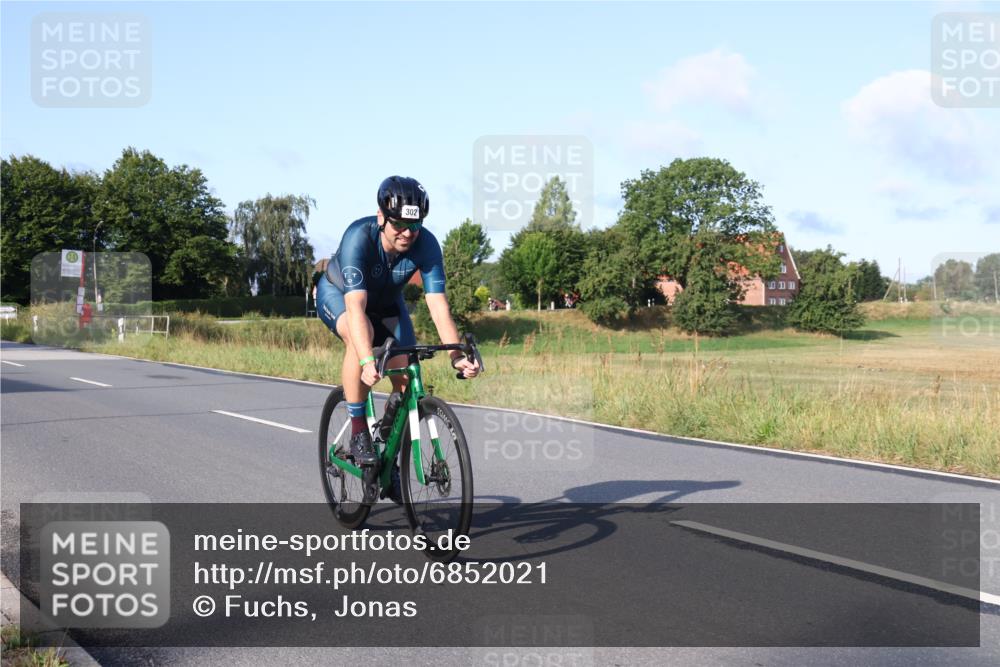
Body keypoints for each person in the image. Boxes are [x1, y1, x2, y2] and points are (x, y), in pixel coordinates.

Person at [316, 176, 481, 496]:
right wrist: (366, 359)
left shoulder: (427, 244)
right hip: (340, 295)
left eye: (414, 225)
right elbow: (356, 304)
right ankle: (360, 430)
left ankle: (387, 458)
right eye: (399, 225)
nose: (407, 233)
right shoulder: (358, 238)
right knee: (355, 331)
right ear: (382, 218)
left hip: (388, 304)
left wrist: (457, 356)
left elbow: (438, 306)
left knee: (406, 373)